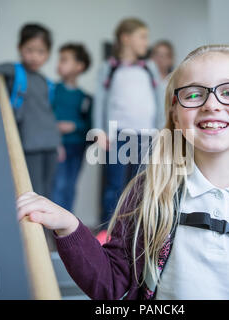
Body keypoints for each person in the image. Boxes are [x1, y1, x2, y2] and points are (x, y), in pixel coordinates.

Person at [17, 44, 229, 300]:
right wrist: (69, 226)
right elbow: (111, 282)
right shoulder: (150, 193)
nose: (212, 104)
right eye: (193, 95)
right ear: (175, 114)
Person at [92, 18, 163, 237]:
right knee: (114, 186)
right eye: (142, 36)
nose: (146, 42)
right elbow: (100, 101)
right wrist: (98, 130)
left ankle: (136, 232)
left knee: (141, 185)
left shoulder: (149, 68)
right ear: (125, 38)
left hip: (147, 136)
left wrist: (161, 130)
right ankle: (108, 232)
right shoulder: (109, 68)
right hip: (118, 134)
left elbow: (159, 100)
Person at [0, 23, 61, 198]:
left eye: (41, 52)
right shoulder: (13, 71)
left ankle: (47, 226)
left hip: (51, 144)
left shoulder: (46, 81)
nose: (34, 56)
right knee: (34, 190)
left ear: (48, 54)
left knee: (48, 191)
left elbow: (48, 114)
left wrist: (59, 144)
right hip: (29, 144)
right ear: (20, 48)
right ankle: (35, 226)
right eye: (29, 50)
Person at [51, 43, 92, 212]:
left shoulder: (85, 98)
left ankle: (65, 229)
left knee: (70, 186)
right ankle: (51, 230)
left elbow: (89, 126)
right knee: (57, 186)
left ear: (79, 66)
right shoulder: (52, 90)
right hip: (56, 146)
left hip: (76, 148)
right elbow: (45, 116)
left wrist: (74, 126)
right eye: (59, 60)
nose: (59, 64)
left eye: (65, 60)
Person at [150, 40, 175, 121]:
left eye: (164, 56)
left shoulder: (174, 82)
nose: (160, 59)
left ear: (170, 60)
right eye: (157, 55)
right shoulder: (144, 79)